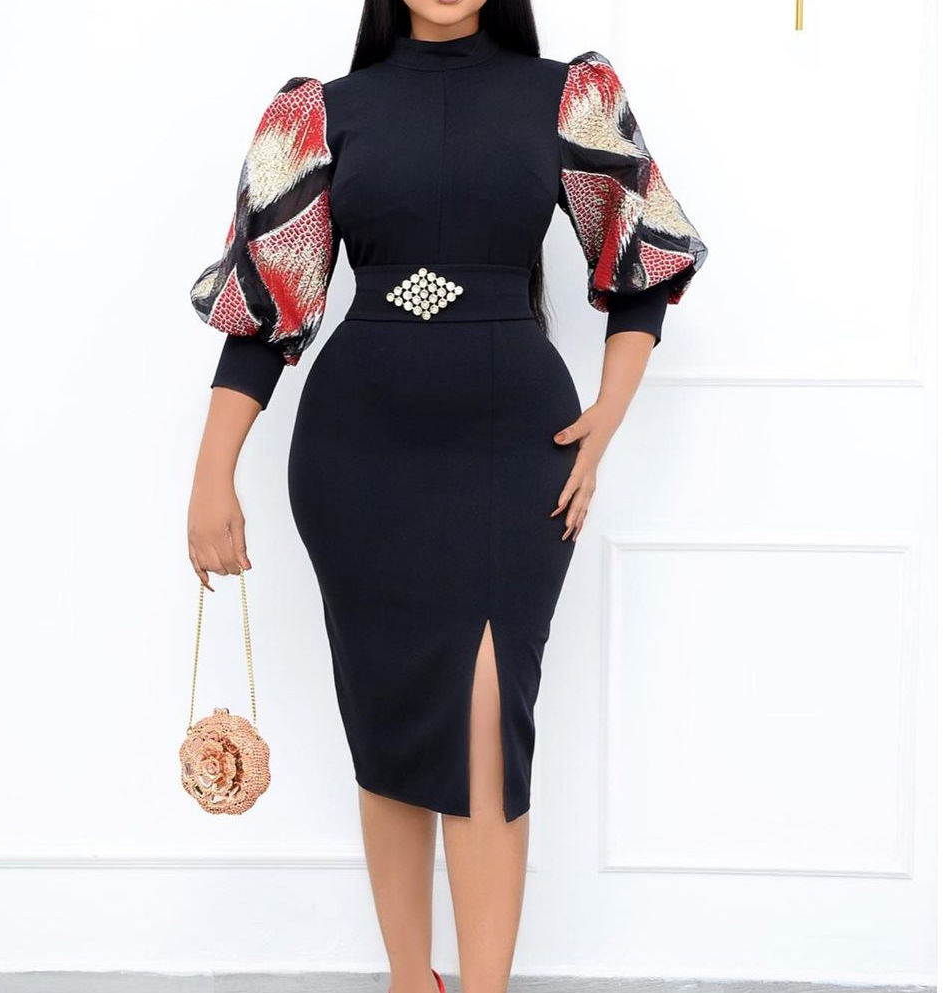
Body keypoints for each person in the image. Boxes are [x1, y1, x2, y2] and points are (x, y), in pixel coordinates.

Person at [186, 1, 707, 990]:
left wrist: (608, 412)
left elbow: (643, 259)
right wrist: (213, 472)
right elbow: (262, 315)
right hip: (356, 457)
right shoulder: (319, 113)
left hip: (515, 452)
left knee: (484, 727)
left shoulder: (568, 95)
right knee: (386, 722)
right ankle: (407, 979)